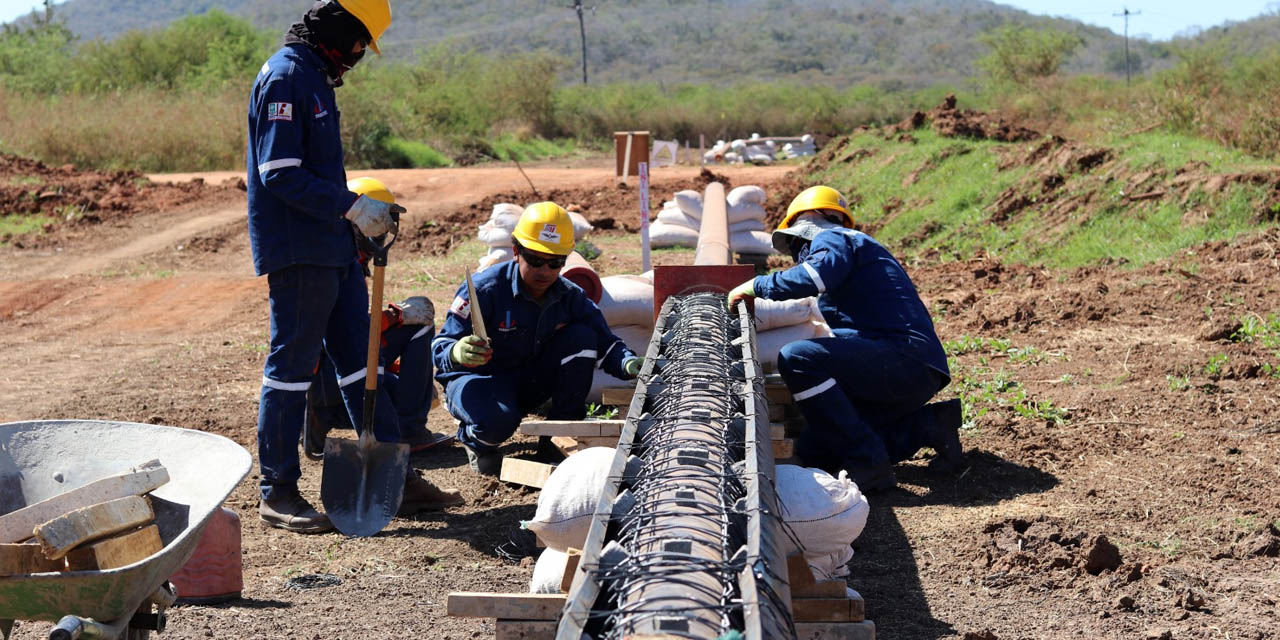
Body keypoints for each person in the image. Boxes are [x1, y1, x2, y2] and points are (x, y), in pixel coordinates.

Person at [247, 0, 461, 534]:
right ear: (339, 31)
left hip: (335, 249)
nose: (359, 56)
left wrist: (354, 216)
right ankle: (277, 491)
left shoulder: (316, 79)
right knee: (292, 371)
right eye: (360, 42)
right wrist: (352, 205)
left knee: (362, 361)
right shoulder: (286, 77)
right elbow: (279, 173)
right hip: (299, 250)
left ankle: (396, 474)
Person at [727, 185, 963, 491]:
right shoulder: (854, 249)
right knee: (818, 449)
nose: (799, 253)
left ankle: (870, 465)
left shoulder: (833, 238)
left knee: (798, 358)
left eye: (798, 244)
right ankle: (930, 425)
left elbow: (814, 276)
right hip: (911, 366)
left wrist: (757, 286)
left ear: (809, 222)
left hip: (901, 359)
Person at [431, 202, 644, 475]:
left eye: (555, 263)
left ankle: (555, 439)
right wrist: (457, 352)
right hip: (477, 380)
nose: (545, 271)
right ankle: (476, 441)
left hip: (526, 378)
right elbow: (440, 346)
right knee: (497, 423)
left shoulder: (570, 296)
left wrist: (627, 363)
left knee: (581, 337)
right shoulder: (486, 290)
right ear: (517, 251)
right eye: (535, 260)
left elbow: (604, 341)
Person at [302, 179, 452, 460]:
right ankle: (323, 414)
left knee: (404, 392)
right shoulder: (331, 266)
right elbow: (336, 333)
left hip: (348, 372)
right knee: (414, 323)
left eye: (383, 227)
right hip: (326, 376)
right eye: (375, 223)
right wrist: (393, 317)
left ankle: (404, 427)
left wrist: (398, 371)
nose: (379, 234)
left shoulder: (355, 262)